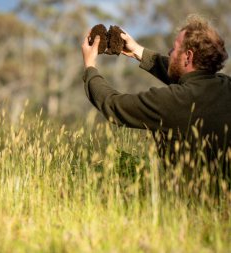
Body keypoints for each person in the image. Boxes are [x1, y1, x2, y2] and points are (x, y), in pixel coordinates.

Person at [81, 15, 231, 168]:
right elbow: (186, 76)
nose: (169, 52)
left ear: (188, 56)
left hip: (186, 191)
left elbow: (113, 105)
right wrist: (137, 52)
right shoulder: (226, 85)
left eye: (174, 48)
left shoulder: (173, 101)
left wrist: (90, 66)